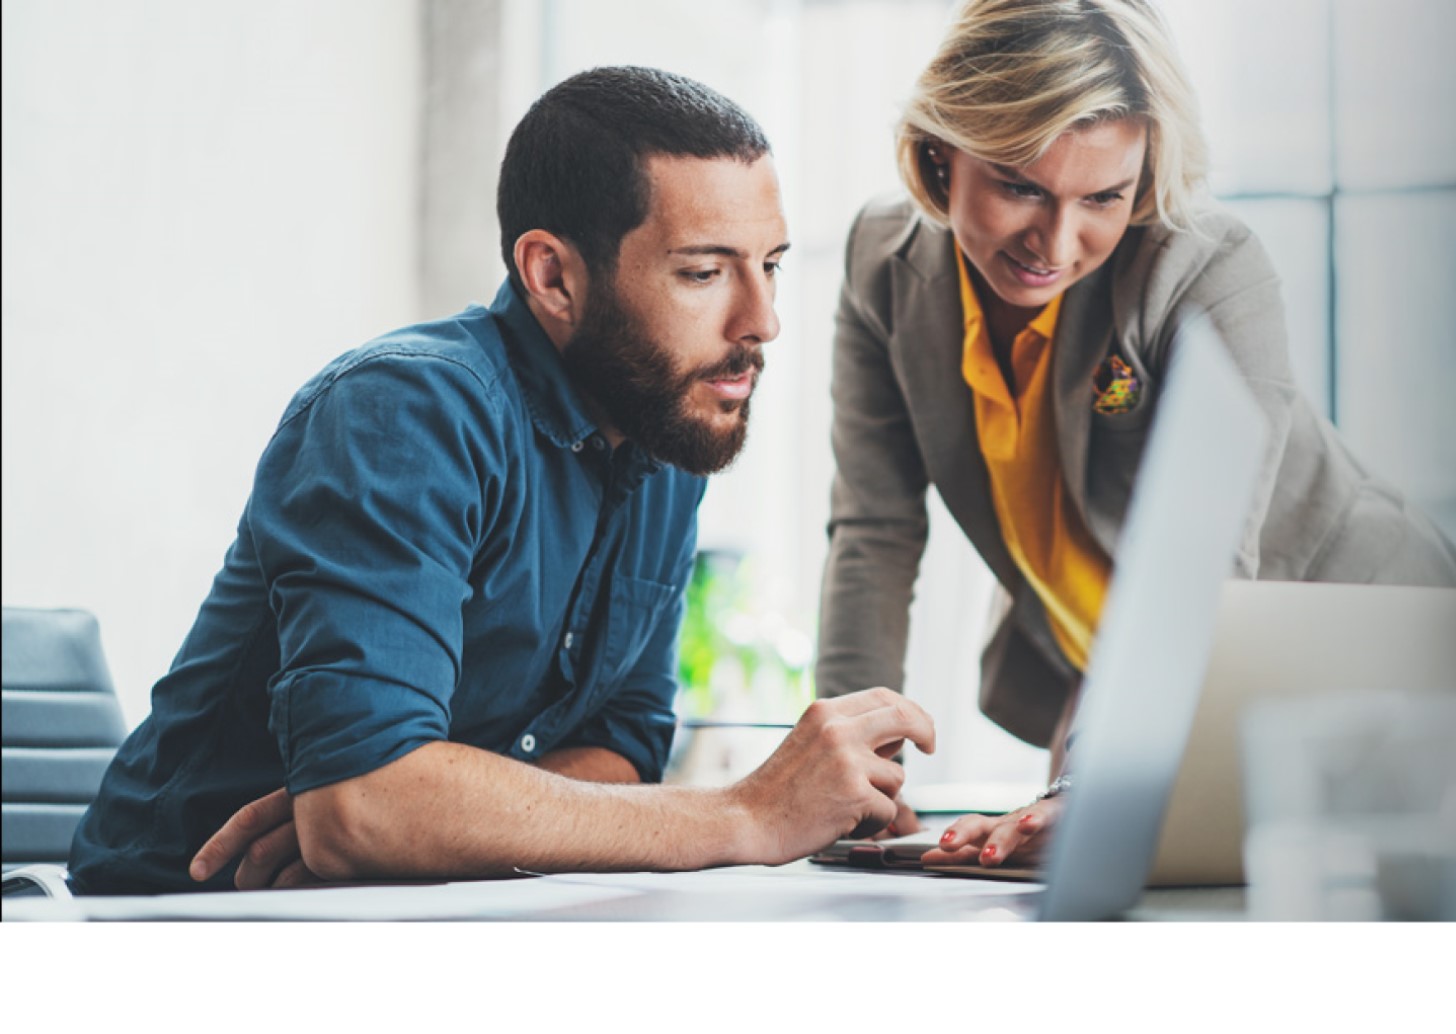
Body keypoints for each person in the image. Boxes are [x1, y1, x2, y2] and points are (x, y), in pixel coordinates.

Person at [68, 66, 933, 895]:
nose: (763, 321)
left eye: (770, 265)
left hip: (421, 914)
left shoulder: (664, 431)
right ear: (553, 275)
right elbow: (363, 808)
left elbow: (620, 746)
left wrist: (428, 820)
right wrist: (744, 815)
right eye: (704, 273)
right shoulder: (403, 411)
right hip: (181, 915)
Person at [813, 0, 1456, 870]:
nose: (1056, 240)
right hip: (1120, 681)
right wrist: (854, 779)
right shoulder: (881, 263)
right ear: (943, 150)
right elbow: (874, 534)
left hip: (1371, 660)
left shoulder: (1205, 270)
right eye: (1020, 185)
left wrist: (1088, 785)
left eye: (1104, 197)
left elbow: (1200, 579)